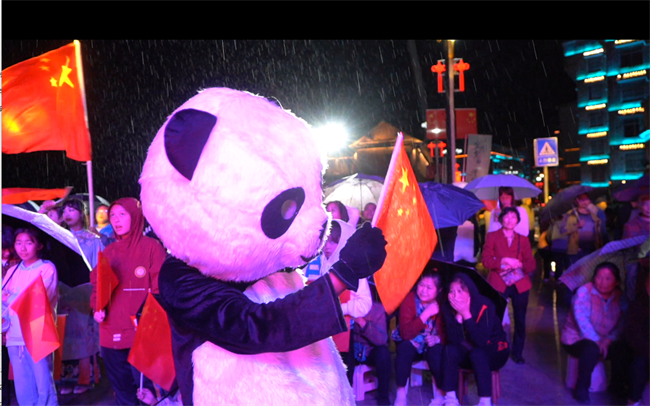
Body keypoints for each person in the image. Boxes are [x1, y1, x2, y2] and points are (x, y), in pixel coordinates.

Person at [90, 197, 168, 406]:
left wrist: (152, 318)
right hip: (110, 331)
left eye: (122, 214)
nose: (116, 220)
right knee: (122, 392)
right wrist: (97, 307)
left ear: (135, 216)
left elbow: (161, 288)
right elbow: (98, 285)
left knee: (146, 392)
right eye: (113, 215)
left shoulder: (151, 247)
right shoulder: (108, 251)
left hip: (141, 332)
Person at [2, 226, 59, 406]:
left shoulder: (46, 268)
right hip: (14, 334)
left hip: (37, 333)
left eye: (28, 243)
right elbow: (3, 305)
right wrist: (3, 324)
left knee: (43, 380)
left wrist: (10, 297)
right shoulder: (12, 271)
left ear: (39, 245)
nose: (23, 248)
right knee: (22, 382)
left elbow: (39, 300)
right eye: (18, 243)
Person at [561, 262, 629, 404]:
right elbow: (582, 321)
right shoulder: (584, 292)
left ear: (617, 282)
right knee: (591, 349)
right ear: (593, 278)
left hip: (605, 339)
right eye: (599, 277)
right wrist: (597, 341)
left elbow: (622, 323)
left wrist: (608, 340)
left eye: (608, 278)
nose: (602, 282)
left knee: (623, 349)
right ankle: (581, 388)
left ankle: (617, 386)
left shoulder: (620, 297)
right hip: (576, 338)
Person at [440, 273, 510, 406]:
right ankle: (450, 398)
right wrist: (458, 319)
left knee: (477, 353)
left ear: (470, 292)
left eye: (460, 291)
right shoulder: (447, 307)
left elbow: (481, 341)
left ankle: (485, 401)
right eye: (451, 291)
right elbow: (453, 340)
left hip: (495, 350)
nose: (455, 296)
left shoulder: (485, 305)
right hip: (469, 349)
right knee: (449, 350)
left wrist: (466, 314)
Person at [59, 198, 105, 395]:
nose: (67, 214)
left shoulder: (92, 240)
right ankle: (66, 379)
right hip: (63, 291)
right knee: (66, 336)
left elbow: (99, 266)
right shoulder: (58, 237)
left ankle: (86, 379)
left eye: (72, 210)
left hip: (85, 291)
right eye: (65, 210)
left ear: (82, 213)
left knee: (84, 335)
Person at [319, 219, 372, 384]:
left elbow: (365, 303)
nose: (327, 246)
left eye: (333, 241)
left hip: (344, 335)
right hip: (321, 334)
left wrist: (341, 308)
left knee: (341, 382)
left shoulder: (353, 269)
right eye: (325, 241)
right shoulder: (321, 264)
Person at [482, 206, 536, 365]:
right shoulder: (492, 236)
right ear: (501, 219)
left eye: (513, 217)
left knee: (520, 319)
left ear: (518, 220)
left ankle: (518, 352)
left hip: (520, 283)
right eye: (507, 217)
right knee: (495, 317)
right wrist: (503, 261)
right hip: (499, 282)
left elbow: (531, 263)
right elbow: (486, 260)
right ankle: (496, 347)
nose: (510, 220)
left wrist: (521, 265)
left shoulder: (523, 239)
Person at [392, 267, 445, 406]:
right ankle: (401, 394)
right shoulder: (409, 299)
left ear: (439, 290)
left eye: (429, 288)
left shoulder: (443, 303)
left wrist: (438, 339)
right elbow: (405, 333)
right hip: (411, 341)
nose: (423, 290)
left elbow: (448, 332)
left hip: (431, 344)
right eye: (421, 285)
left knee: (437, 352)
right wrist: (425, 314)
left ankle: (441, 394)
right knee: (404, 349)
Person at [351, 293, 390, 406]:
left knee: (383, 353)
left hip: (368, 351)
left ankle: (383, 399)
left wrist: (362, 322)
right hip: (350, 351)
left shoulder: (377, 310)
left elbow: (381, 339)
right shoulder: (342, 307)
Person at [624, 264, 650, 406]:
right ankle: (633, 401)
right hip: (644, 352)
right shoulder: (638, 305)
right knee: (639, 363)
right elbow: (633, 335)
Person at [560, 193, 608, 265]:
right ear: (576, 201)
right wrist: (577, 226)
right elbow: (562, 230)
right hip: (575, 251)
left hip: (592, 250)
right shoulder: (570, 215)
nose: (585, 202)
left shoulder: (595, 215)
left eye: (586, 199)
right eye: (581, 200)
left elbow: (602, 231)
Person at [2, 225, 20, 406]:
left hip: (12, 324)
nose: (7, 253)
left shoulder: (18, 266)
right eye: (2, 249)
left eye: (9, 248)